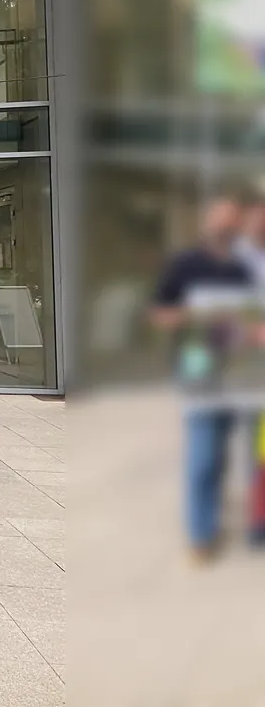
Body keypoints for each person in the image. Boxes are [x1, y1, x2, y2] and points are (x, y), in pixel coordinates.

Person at [151, 197, 261, 561]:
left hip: (242, 374)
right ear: (206, 223)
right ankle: (201, 535)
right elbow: (160, 315)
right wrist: (197, 315)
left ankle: (249, 526)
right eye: (220, 222)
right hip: (199, 372)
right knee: (203, 458)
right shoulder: (185, 264)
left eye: (232, 223)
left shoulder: (243, 270)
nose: (226, 229)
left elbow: (250, 322)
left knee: (247, 457)